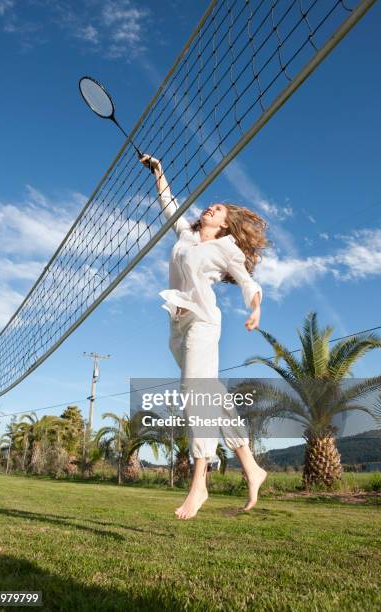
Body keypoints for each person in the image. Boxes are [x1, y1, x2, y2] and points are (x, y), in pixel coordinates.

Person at [139, 153, 268, 520]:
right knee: (210, 392)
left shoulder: (226, 249)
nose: (210, 208)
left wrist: (255, 307)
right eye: (211, 206)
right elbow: (169, 204)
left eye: (218, 209)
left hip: (203, 322)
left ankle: (199, 483)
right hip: (176, 326)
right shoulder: (186, 234)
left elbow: (248, 281)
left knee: (194, 392)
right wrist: (160, 172)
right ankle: (251, 465)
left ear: (227, 225)